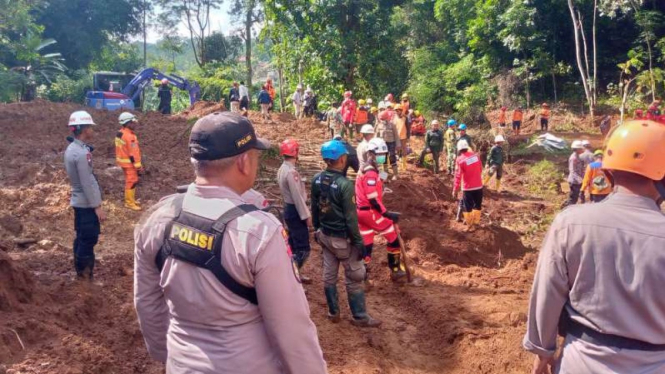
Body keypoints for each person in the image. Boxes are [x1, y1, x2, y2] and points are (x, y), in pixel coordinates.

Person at [134, 112, 327, 373]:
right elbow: (291, 328)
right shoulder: (258, 232)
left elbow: (147, 304)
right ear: (244, 162)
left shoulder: (158, 219)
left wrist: (171, 358)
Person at [523, 119, 665, 374]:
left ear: (609, 167)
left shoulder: (571, 222)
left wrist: (542, 351)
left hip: (581, 362)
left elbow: (547, 293)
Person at [311, 140, 381, 327]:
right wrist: (359, 243)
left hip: (325, 235)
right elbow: (351, 218)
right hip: (342, 238)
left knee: (329, 275)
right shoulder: (344, 184)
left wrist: (317, 229)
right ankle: (360, 316)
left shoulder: (316, 179)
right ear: (342, 159)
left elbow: (315, 209)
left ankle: (333, 312)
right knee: (355, 277)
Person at [355, 138, 405, 282]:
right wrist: (387, 214)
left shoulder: (366, 169)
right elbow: (373, 199)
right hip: (370, 212)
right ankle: (395, 269)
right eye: (381, 154)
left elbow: (375, 182)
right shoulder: (370, 172)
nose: (383, 156)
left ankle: (361, 274)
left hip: (361, 212)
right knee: (393, 235)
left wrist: (382, 183)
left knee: (367, 242)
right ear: (373, 154)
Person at [64, 110, 105, 280]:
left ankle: (83, 274)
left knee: (81, 238)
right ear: (83, 129)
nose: (92, 130)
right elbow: (86, 182)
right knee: (88, 238)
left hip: (80, 202)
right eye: (90, 127)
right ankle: (84, 276)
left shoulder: (74, 149)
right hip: (86, 204)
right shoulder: (80, 153)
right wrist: (97, 206)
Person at [277, 139, 313, 283]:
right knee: (303, 248)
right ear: (296, 153)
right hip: (295, 210)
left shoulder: (282, 169)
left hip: (289, 210)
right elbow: (298, 197)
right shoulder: (291, 172)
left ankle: (293, 274)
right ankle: (292, 277)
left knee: (292, 245)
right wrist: (306, 216)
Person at [452, 139, 483, 230]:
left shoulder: (460, 160)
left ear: (459, 149)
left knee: (468, 206)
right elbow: (480, 169)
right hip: (478, 186)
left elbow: (458, 175)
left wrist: (455, 189)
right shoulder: (476, 156)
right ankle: (476, 222)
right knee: (477, 205)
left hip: (468, 188)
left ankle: (469, 225)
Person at [115, 112, 144, 211]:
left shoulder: (120, 133)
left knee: (130, 181)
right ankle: (129, 203)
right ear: (128, 123)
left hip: (122, 161)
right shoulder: (130, 137)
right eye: (133, 122)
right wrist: (138, 166)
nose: (135, 124)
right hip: (129, 163)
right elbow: (133, 153)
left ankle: (131, 199)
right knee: (131, 181)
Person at [563, 140, 586, 208]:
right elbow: (572, 171)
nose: (582, 150)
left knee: (575, 197)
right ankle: (566, 209)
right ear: (577, 149)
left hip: (578, 181)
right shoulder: (573, 158)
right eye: (581, 148)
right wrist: (580, 180)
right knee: (573, 198)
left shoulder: (578, 156)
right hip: (574, 182)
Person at [393, 104, 408, 171]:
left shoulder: (405, 118)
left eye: (399, 110)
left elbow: (408, 127)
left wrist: (408, 136)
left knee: (404, 150)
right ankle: (397, 165)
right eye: (396, 110)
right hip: (396, 137)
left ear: (401, 111)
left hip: (403, 136)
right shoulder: (394, 119)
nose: (397, 112)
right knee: (396, 150)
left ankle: (404, 166)